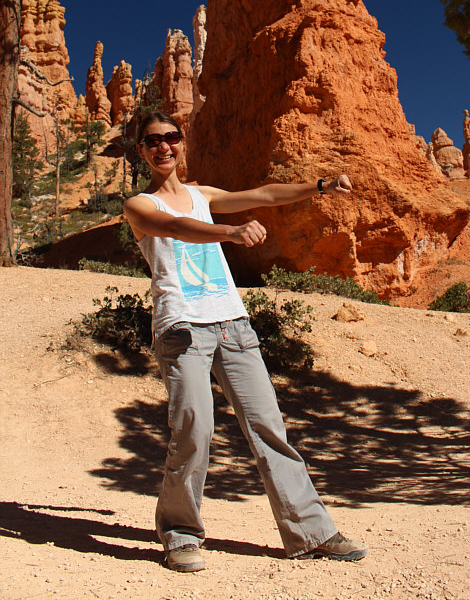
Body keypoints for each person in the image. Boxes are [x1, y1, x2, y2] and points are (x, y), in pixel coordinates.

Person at [123, 111, 368, 572]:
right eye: (152, 141)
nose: (164, 148)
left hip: (232, 323)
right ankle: (180, 535)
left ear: (182, 143)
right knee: (194, 429)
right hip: (181, 327)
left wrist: (318, 187)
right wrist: (229, 232)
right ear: (141, 151)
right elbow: (176, 229)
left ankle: (312, 532)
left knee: (269, 427)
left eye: (171, 138)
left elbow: (262, 194)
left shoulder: (202, 195)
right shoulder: (139, 205)